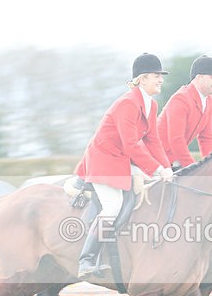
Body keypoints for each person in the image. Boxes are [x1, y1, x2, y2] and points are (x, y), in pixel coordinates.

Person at [74, 53, 173, 280]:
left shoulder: (151, 105)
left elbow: (153, 141)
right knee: (113, 205)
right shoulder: (128, 103)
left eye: (161, 76)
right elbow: (131, 144)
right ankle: (87, 259)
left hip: (121, 160)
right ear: (142, 79)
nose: (161, 80)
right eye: (156, 76)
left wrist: (167, 169)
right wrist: (157, 169)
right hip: (103, 160)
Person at [157, 54, 212, 168]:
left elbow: (206, 138)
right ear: (199, 77)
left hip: (171, 161)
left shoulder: (210, 101)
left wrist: (211, 165)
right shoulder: (180, 99)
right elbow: (176, 139)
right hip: (152, 159)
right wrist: (191, 167)